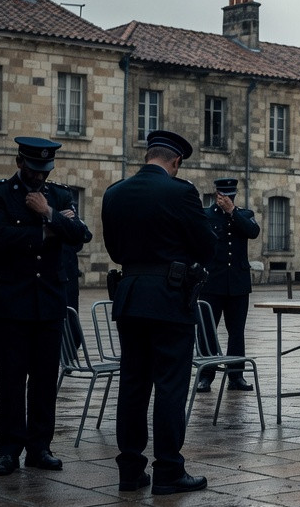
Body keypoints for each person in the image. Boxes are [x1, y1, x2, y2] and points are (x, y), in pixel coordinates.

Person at [100, 130, 215, 495]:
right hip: (169, 298)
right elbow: (206, 246)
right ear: (176, 162)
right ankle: (168, 470)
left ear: (148, 155)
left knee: (133, 384)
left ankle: (130, 470)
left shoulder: (114, 193)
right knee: (169, 386)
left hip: (130, 296)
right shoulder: (182, 192)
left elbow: (116, 250)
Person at [0, 137, 91, 476]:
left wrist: (49, 213)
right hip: (9, 302)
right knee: (11, 378)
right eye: (33, 170)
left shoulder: (58, 195)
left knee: (44, 378)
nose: (39, 177)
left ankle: (40, 446)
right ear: (19, 163)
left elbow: (80, 235)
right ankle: (9, 450)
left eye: (45, 171)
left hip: (49, 300)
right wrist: (45, 233)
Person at [195, 177, 261, 394]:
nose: (228, 199)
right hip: (212, 283)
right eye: (224, 196)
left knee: (237, 332)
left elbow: (253, 232)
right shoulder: (205, 216)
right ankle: (206, 375)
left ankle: (236, 376)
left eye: (231, 196)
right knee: (207, 331)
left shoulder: (244, 215)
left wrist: (233, 211)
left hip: (238, 285)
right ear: (217, 195)